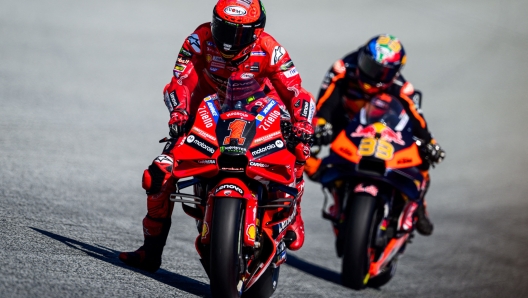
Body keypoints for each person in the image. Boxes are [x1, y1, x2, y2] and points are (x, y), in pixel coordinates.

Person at [119, 0, 315, 273]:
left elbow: (297, 92)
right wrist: (178, 114)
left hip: (261, 110)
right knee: (158, 174)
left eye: (238, 33)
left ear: (256, 32)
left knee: (299, 151)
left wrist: (303, 126)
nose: (226, 41)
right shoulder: (198, 40)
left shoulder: (271, 49)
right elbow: (179, 82)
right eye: (221, 28)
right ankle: (150, 252)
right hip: (208, 109)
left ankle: (294, 216)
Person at [305, 34, 445, 236]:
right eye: (367, 63)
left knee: (423, 158)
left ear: (394, 73)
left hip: (383, 130)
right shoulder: (343, 68)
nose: (369, 73)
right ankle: (321, 173)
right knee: (302, 141)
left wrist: (430, 143)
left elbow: (418, 120)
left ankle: (419, 205)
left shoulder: (403, 88)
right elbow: (326, 100)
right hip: (346, 122)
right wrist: (321, 123)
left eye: (379, 71)